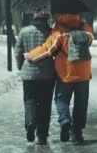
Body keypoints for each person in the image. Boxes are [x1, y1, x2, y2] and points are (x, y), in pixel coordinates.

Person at [27, 13, 93, 145]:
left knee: (61, 99)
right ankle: (77, 133)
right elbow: (90, 41)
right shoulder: (86, 28)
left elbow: (48, 49)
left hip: (65, 74)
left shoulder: (59, 30)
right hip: (84, 73)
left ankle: (65, 120)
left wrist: (31, 56)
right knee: (81, 103)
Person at [15, 12, 56, 145]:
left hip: (28, 74)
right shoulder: (52, 33)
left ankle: (30, 122)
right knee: (45, 104)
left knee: (29, 100)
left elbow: (18, 51)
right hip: (47, 74)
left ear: (34, 18)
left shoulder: (24, 31)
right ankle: (42, 135)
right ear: (46, 19)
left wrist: (21, 66)